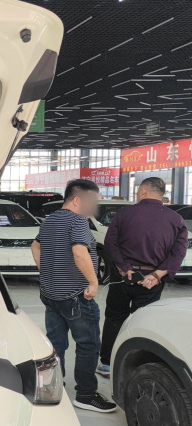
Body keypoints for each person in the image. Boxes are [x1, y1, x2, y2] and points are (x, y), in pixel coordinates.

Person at [31, 179, 117, 413]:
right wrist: (93, 281)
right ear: (78, 200)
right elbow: (79, 252)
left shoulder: (50, 220)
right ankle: (86, 395)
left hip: (50, 294)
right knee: (88, 344)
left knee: (55, 343)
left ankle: (54, 387)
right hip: (75, 297)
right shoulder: (78, 221)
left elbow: (35, 246)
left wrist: (46, 271)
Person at [97, 177, 188, 375]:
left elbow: (110, 243)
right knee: (143, 320)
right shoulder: (176, 219)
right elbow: (179, 251)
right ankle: (137, 363)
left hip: (123, 276)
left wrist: (123, 267)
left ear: (143, 191)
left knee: (115, 317)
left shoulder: (124, 214)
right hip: (152, 279)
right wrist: (158, 274)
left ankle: (107, 363)